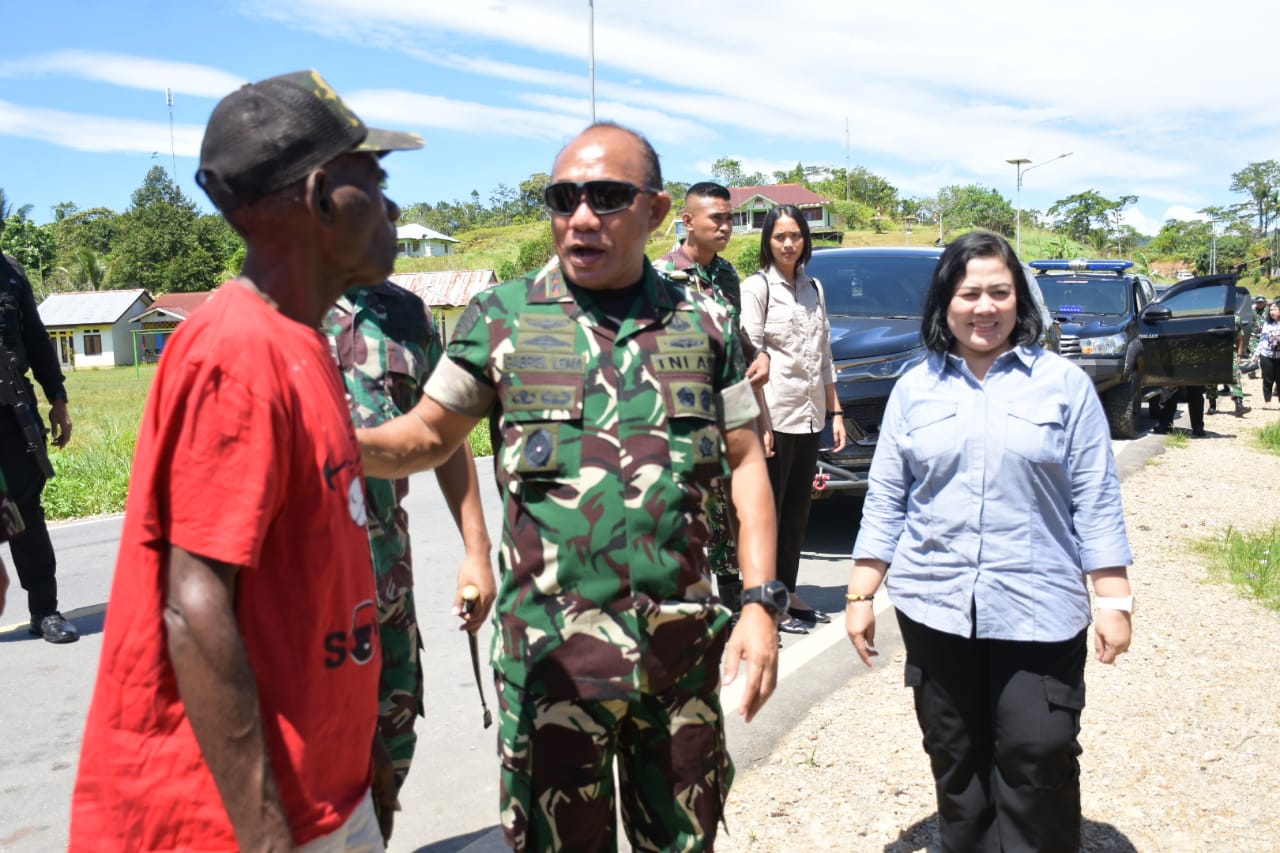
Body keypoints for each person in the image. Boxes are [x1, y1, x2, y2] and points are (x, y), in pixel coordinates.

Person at [357, 122, 782, 852]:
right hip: (552, 668)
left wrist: (760, 603)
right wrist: (323, 442)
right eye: (563, 198)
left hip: (678, 663)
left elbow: (747, 463)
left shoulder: (703, 322)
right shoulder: (502, 319)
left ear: (654, 211)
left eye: (607, 197)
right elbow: (425, 437)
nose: (580, 216)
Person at [70, 70, 423, 851]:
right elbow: (193, 603)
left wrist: (357, 748)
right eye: (377, 179)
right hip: (226, 819)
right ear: (324, 195)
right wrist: (265, 833)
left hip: (321, 788)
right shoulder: (238, 351)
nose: (394, 208)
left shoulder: (302, 339)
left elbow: (308, 590)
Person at [845, 231, 1134, 852]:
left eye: (999, 292)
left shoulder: (1064, 385)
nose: (985, 307)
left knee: (1040, 749)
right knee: (955, 754)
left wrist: (1114, 601)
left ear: (1020, 300)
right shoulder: (914, 388)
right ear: (945, 302)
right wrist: (861, 593)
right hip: (935, 603)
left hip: (1040, 605)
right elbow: (888, 494)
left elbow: (1095, 497)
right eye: (969, 292)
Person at [325, 281, 494, 809]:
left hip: (386, 583)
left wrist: (476, 549)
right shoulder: (269, 308)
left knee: (389, 750)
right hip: (303, 598)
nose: (388, 212)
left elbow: (442, 434)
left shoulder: (405, 314)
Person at [656, 181, 770, 616]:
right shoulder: (661, 276)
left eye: (730, 218)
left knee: (732, 511)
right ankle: (685, 609)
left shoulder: (725, 275)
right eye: (716, 219)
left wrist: (756, 356)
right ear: (688, 222)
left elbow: (733, 331)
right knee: (688, 512)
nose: (726, 227)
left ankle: (738, 609)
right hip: (681, 415)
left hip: (730, 408)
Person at [740, 204, 847, 635]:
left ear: (806, 240)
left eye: (796, 235)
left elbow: (825, 359)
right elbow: (752, 358)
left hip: (809, 415)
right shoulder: (757, 288)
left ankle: (788, 590)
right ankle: (767, 600)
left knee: (798, 511)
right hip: (774, 416)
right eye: (780, 236)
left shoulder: (815, 289)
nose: (788, 243)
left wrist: (835, 412)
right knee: (769, 512)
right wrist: (761, 423)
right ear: (768, 240)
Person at [0, 252, 76, 643]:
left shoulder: (10, 269)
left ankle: (44, 611)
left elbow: (36, 340)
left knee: (26, 510)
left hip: (12, 412)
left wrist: (58, 400)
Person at [1258, 300, 1280, 406]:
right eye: (1270, 310)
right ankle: (1268, 401)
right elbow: (1262, 340)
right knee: (1267, 378)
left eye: (1275, 309)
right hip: (1266, 355)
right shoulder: (1267, 323)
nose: (1272, 312)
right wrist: (1256, 354)